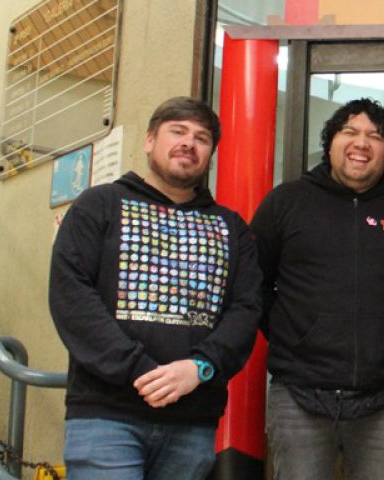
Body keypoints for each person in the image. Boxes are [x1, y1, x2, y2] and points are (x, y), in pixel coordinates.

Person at [48, 96, 262, 480]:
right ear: (150, 141)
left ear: (210, 154)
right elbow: (71, 296)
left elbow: (246, 310)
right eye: (177, 131)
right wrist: (138, 370)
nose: (188, 143)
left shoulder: (232, 229)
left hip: (192, 421)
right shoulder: (99, 205)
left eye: (201, 138)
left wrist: (200, 367)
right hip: (106, 416)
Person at [251, 97, 384, 480]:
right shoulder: (286, 202)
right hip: (299, 394)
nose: (361, 143)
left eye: (375, 136)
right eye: (350, 132)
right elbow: (253, 284)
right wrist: (295, 335)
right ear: (330, 143)